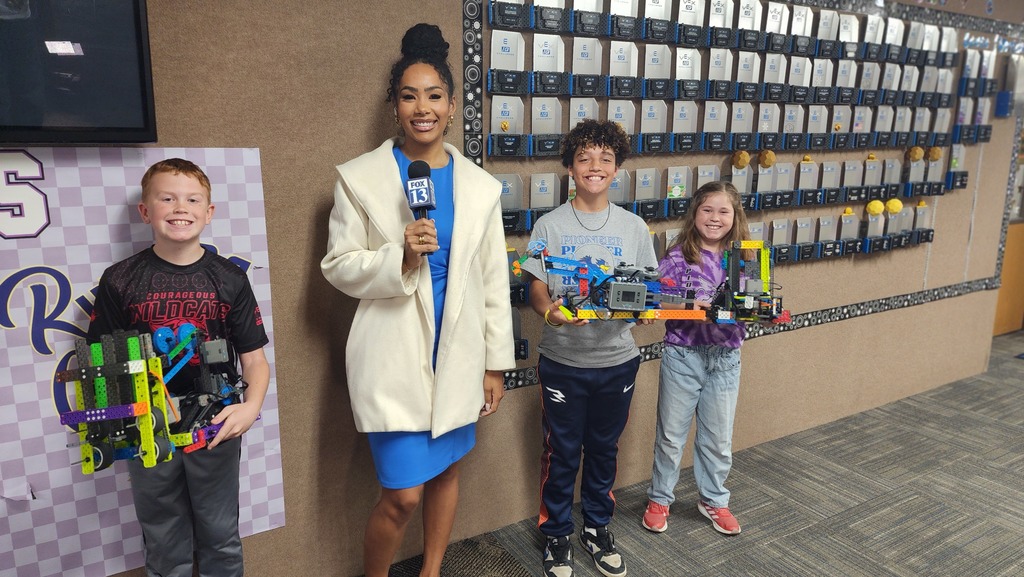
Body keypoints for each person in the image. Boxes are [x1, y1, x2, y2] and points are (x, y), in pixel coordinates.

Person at [319, 23, 514, 577]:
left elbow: (493, 279)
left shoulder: (479, 186)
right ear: (394, 106)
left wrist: (495, 362)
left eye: (433, 96)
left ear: (452, 106)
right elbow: (337, 266)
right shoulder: (358, 179)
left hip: (458, 351)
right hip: (394, 354)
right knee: (402, 496)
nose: (421, 108)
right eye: (409, 96)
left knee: (447, 471)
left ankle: (431, 572)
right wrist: (399, 258)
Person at [88, 158, 271, 577]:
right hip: (147, 419)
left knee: (220, 533)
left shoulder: (229, 279)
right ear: (145, 211)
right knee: (163, 534)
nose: (179, 207)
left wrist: (249, 407)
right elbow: (102, 364)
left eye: (191, 199)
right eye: (166, 198)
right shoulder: (119, 279)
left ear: (209, 212)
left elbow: (255, 359)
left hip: (216, 419)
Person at [520, 119, 658, 577]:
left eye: (604, 158)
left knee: (603, 449)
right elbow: (536, 286)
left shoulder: (634, 227)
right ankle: (556, 531)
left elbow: (647, 293)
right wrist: (547, 312)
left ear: (617, 168)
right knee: (561, 451)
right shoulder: (549, 225)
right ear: (570, 168)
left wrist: (645, 311)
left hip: (617, 361)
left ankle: (597, 526)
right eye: (584, 158)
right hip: (563, 360)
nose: (594, 167)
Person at [641, 180, 750, 537]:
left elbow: (756, 303)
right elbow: (657, 301)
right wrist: (689, 307)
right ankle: (660, 498)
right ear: (695, 213)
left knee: (718, 437)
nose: (715, 218)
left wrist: (755, 309)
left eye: (723, 211)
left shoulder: (746, 257)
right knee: (671, 435)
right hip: (682, 354)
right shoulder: (677, 255)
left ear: (735, 216)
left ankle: (714, 500)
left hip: (726, 357)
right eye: (707, 210)